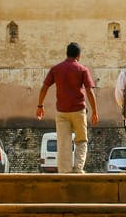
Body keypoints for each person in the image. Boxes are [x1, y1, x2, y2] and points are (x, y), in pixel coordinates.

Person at [36, 42, 98, 173]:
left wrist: (40, 105)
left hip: (62, 111)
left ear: (67, 53)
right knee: (81, 140)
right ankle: (77, 169)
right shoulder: (82, 69)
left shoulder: (56, 69)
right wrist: (94, 111)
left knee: (63, 143)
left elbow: (44, 87)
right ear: (79, 55)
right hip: (78, 110)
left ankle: (65, 171)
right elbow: (90, 91)